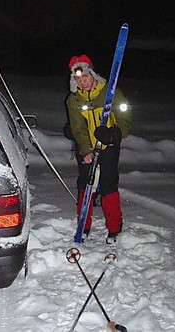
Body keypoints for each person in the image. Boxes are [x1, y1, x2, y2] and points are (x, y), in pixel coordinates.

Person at [65, 54, 132, 244]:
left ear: (92, 74)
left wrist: (114, 134)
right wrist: (86, 150)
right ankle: (83, 226)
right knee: (86, 184)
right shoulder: (74, 100)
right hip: (88, 148)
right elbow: (78, 128)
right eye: (77, 78)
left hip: (109, 147)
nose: (82, 82)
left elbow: (125, 118)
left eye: (85, 76)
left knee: (109, 184)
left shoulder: (110, 92)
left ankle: (114, 227)